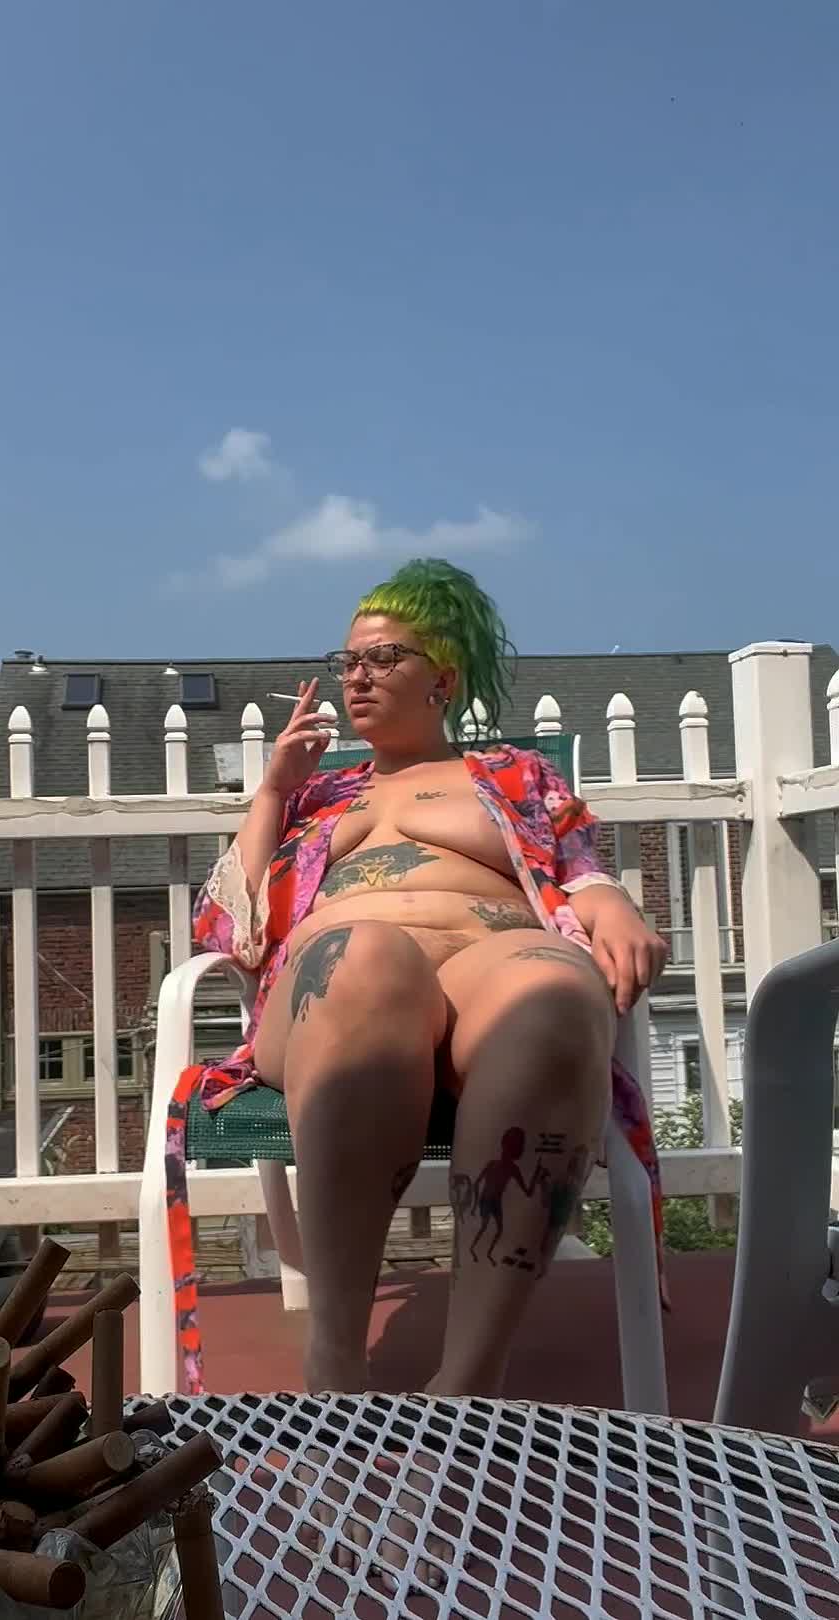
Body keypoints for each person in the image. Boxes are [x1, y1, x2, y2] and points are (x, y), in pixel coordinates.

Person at [167, 558, 667, 1397]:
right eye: (348, 661)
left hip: (486, 973)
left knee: (554, 996)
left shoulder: (513, 776)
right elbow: (231, 930)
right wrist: (272, 793)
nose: (356, 677)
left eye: (383, 657)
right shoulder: (317, 796)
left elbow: (575, 868)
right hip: (343, 992)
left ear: (443, 679)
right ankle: (336, 1359)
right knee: (369, 958)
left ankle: (469, 1380)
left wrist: (611, 902)